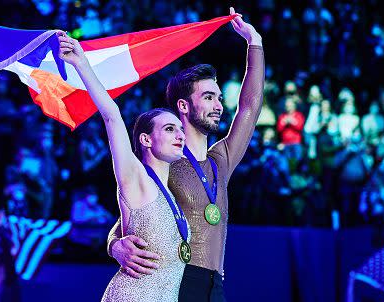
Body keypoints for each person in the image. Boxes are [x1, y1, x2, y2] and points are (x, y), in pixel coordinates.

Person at [107, 7, 264, 301]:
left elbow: (250, 108)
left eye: (218, 98)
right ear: (183, 106)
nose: (218, 105)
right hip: (176, 281)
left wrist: (254, 42)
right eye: (208, 97)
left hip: (215, 286)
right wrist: (114, 244)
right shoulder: (166, 161)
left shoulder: (221, 160)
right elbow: (129, 210)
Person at [58, 26, 188, 301]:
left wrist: (114, 243)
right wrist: (81, 62)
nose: (180, 134)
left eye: (180, 129)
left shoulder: (170, 196)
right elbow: (112, 117)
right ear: (146, 139)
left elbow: (125, 228)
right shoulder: (135, 177)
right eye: (168, 129)